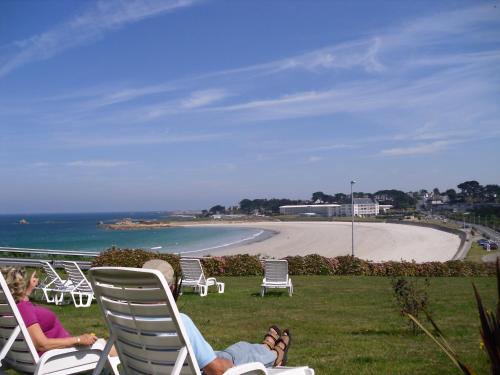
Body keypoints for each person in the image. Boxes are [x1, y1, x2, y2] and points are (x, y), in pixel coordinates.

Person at [142, 259, 291, 375]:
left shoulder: (124, 322)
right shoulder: (179, 322)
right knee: (240, 353)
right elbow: (217, 371)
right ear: (171, 288)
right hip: (205, 370)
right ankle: (275, 353)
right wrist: (231, 368)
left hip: (178, 367)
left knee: (236, 350)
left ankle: (267, 347)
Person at [1, 266, 116, 356]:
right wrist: (79, 339)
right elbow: (42, 344)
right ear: (19, 286)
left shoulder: (11, 309)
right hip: (56, 356)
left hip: (58, 351)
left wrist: (29, 288)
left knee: (105, 345)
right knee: (111, 348)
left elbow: (23, 305)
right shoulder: (23, 309)